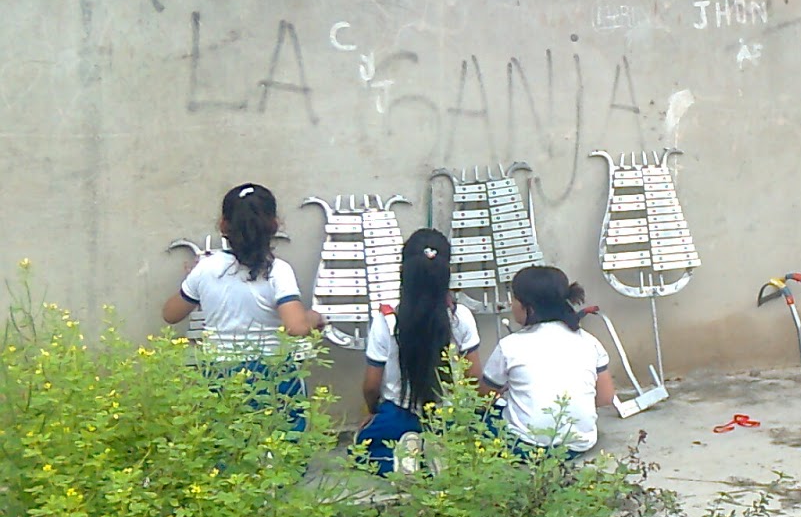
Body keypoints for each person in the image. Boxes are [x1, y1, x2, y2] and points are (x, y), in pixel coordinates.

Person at [160, 183, 327, 431]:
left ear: (223, 225)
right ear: (275, 224)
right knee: (283, 442)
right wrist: (313, 318)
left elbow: (170, 314)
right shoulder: (278, 271)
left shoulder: (206, 268)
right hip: (273, 373)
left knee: (227, 442)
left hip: (220, 371)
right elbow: (296, 327)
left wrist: (193, 280)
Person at [355, 229, 482, 475]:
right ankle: (438, 455)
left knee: (362, 451)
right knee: (473, 449)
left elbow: (371, 385)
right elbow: (474, 378)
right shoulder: (461, 317)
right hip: (447, 415)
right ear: (447, 273)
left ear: (403, 271)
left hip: (399, 414)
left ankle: (404, 458)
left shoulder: (387, 320)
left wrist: (373, 411)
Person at [480, 265, 614, 458]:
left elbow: (484, 397)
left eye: (514, 298)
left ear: (529, 307)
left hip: (526, 447)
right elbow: (606, 397)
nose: (511, 304)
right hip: (578, 445)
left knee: (478, 417)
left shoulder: (509, 345)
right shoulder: (590, 341)